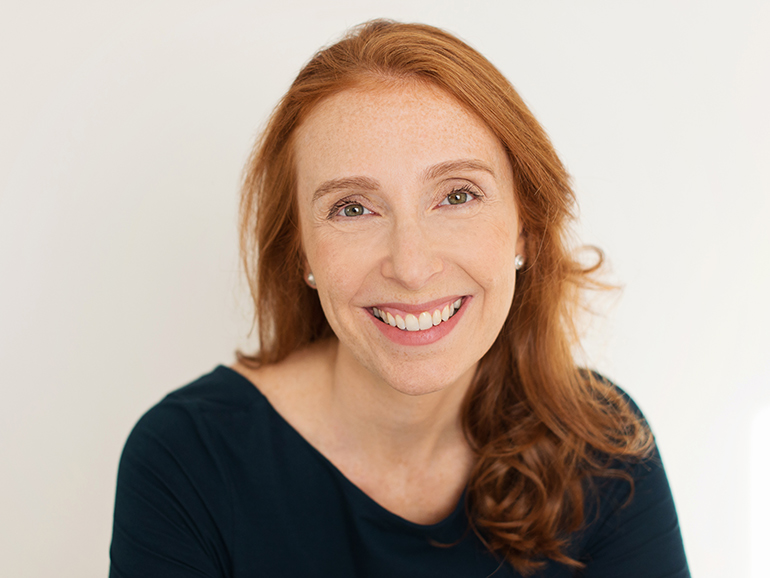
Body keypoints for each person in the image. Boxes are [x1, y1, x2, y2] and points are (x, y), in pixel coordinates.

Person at [109, 20, 690, 577]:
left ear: (524, 230)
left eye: (457, 195)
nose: (411, 267)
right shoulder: (186, 461)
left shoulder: (601, 446)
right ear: (303, 254)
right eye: (353, 208)